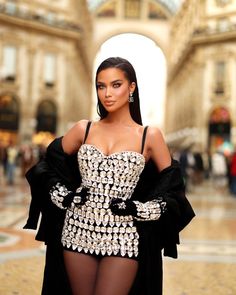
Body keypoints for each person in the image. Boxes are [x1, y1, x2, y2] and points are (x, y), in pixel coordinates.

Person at [24, 57, 195, 295]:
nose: (107, 93)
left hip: (123, 236)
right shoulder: (84, 129)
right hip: (77, 229)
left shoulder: (150, 136)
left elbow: (173, 191)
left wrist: (138, 209)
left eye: (116, 85)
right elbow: (46, 166)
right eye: (101, 86)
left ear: (131, 87)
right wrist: (63, 196)